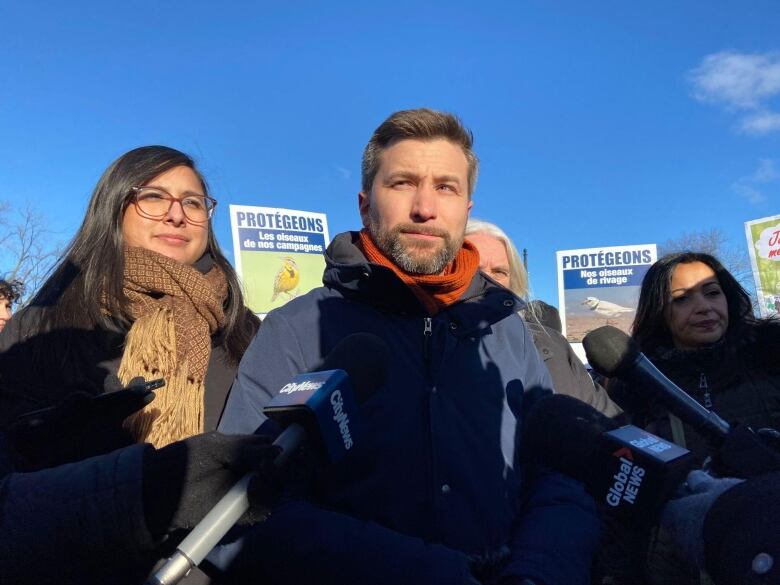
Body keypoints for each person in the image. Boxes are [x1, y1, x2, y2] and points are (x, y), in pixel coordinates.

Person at [217, 108, 599, 585]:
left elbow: (558, 477)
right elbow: (245, 507)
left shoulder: (509, 330)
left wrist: (538, 571)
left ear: (466, 208)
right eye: (401, 183)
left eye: (446, 186)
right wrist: (423, 572)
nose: (425, 207)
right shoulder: (295, 329)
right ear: (363, 204)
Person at [0, 146, 260, 460]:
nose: (176, 214)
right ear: (114, 207)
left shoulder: (245, 331)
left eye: (193, 202)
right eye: (153, 196)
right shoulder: (41, 328)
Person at [607, 251, 780, 585]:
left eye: (712, 293)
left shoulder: (770, 363)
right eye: (682, 299)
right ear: (660, 313)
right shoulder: (635, 390)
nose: (703, 307)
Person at [464, 218, 621, 418]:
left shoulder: (553, 345)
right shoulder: (421, 350)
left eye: (499, 271)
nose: (489, 280)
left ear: (515, 282)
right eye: (474, 270)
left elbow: (609, 421)